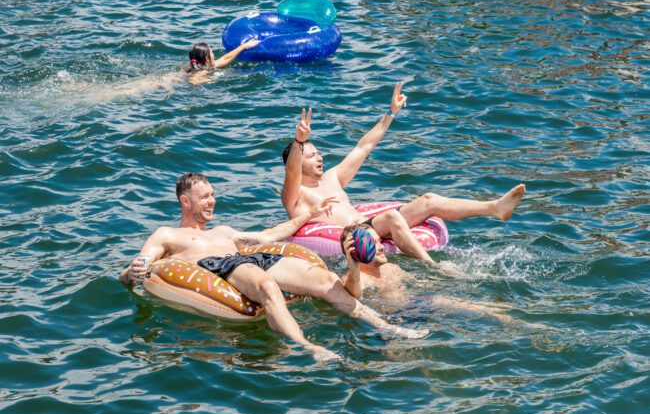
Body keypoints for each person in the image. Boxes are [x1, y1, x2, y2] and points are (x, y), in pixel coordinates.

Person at [121, 172, 427, 361]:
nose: (212, 201)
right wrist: (129, 274)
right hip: (219, 266)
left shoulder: (224, 231)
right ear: (185, 202)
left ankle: (385, 326)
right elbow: (140, 264)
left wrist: (308, 216)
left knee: (327, 280)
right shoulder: (167, 234)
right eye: (204, 197)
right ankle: (310, 348)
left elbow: (267, 236)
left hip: (251, 257)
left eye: (213, 195)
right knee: (267, 286)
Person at [281, 82, 526, 268]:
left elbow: (363, 147)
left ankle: (495, 208)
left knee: (429, 199)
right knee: (391, 218)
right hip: (353, 234)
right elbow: (292, 173)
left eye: (318, 153)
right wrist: (298, 142)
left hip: (372, 225)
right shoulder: (296, 195)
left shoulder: (333, 177)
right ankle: (434, 266)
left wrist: (391, 113)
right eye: (311, 156)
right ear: (296, 163)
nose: (320, 158)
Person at [340, 224, 515, 324]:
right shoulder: (355, 277)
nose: (380, 247)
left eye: (379, 241)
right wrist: (354, 265)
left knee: (488, 310)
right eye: (372, 244)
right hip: (394, 319)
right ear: (356, 251)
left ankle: (518, 324)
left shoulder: (392, 268)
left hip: (421, 304)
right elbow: (354, 294)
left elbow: (420, 283)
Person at [183, 40, 259, 84]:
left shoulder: (204, 65)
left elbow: (225, 58)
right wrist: (213, 77)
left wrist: (243, 46)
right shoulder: (202, 72)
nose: (213, 55)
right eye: (211, 52)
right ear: (207, 59)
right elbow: (194, 82)